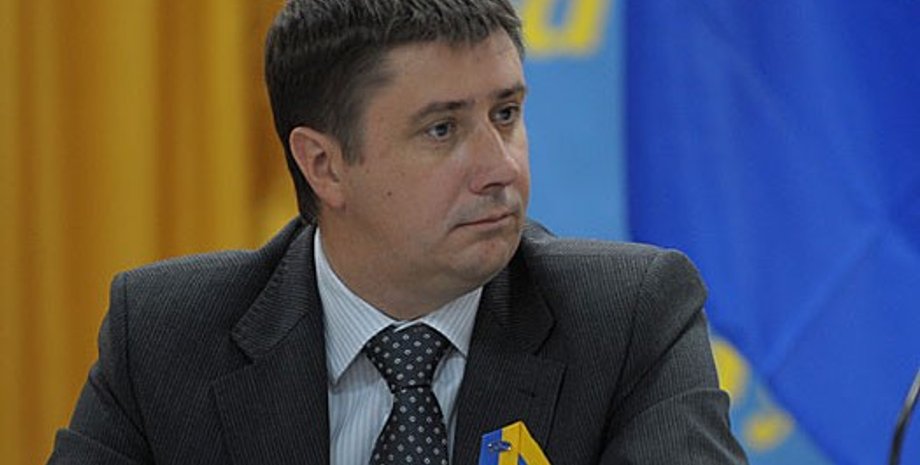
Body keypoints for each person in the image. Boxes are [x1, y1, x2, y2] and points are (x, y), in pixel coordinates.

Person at [49, 1, 748, 464]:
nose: (500, 168)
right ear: (324, 165)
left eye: (505, 114)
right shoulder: (167, 336)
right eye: (442, 129)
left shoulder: (625, 319)